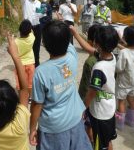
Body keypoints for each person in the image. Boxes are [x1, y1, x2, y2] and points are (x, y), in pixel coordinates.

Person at [30, 20, 92, 150]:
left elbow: (37, 104)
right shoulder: (72, 56)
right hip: (75, 119)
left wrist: (32, 129)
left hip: (53, 128)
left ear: (44, 44)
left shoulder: (41, 72)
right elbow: (65, 40)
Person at [84, 26, 119, 150]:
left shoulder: (99, 68)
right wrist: (75, 34)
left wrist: (84, 107)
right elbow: (91, 50)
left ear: (96, 43)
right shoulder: (113, 57)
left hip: (99, 113)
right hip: (109, 108)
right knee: (107, 140)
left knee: (100, 145)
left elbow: (92, 92)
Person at [78, 24, 100, 143]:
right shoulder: (105, 57)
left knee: (88, 124)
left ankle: (90, 141)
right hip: (99, 101)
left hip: (87, 101)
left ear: (90, 41)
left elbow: (86, 87)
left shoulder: (90, 62)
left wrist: (82, 103)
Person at [115, 26, 134, 130]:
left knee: (121, 101)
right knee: (131, 100)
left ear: (125, 37)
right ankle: (131, 121)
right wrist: (119, 43)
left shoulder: (123, 52)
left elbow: (119, 68)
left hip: (123, 82)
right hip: (133, 80)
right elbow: (128, 50)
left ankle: (120, 124)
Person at [20, 0, 43, 67]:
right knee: (26, 46)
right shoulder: (24, 0)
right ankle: (26, 63)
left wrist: (42, 12)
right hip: (27, 27)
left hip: (37, 26)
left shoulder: (38, 3)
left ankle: (36, 63)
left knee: (36, 46)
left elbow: (39, 14)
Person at [14, 19, 35, 101]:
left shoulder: (15, 42)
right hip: (30, 63)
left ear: (20, 30)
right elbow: (32, 32)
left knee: (20, 83)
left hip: (20, 65)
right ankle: (30, 97)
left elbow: (11, 50)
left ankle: (21, 98)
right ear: (29, 31)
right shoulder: (32, 38)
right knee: (30, 83)